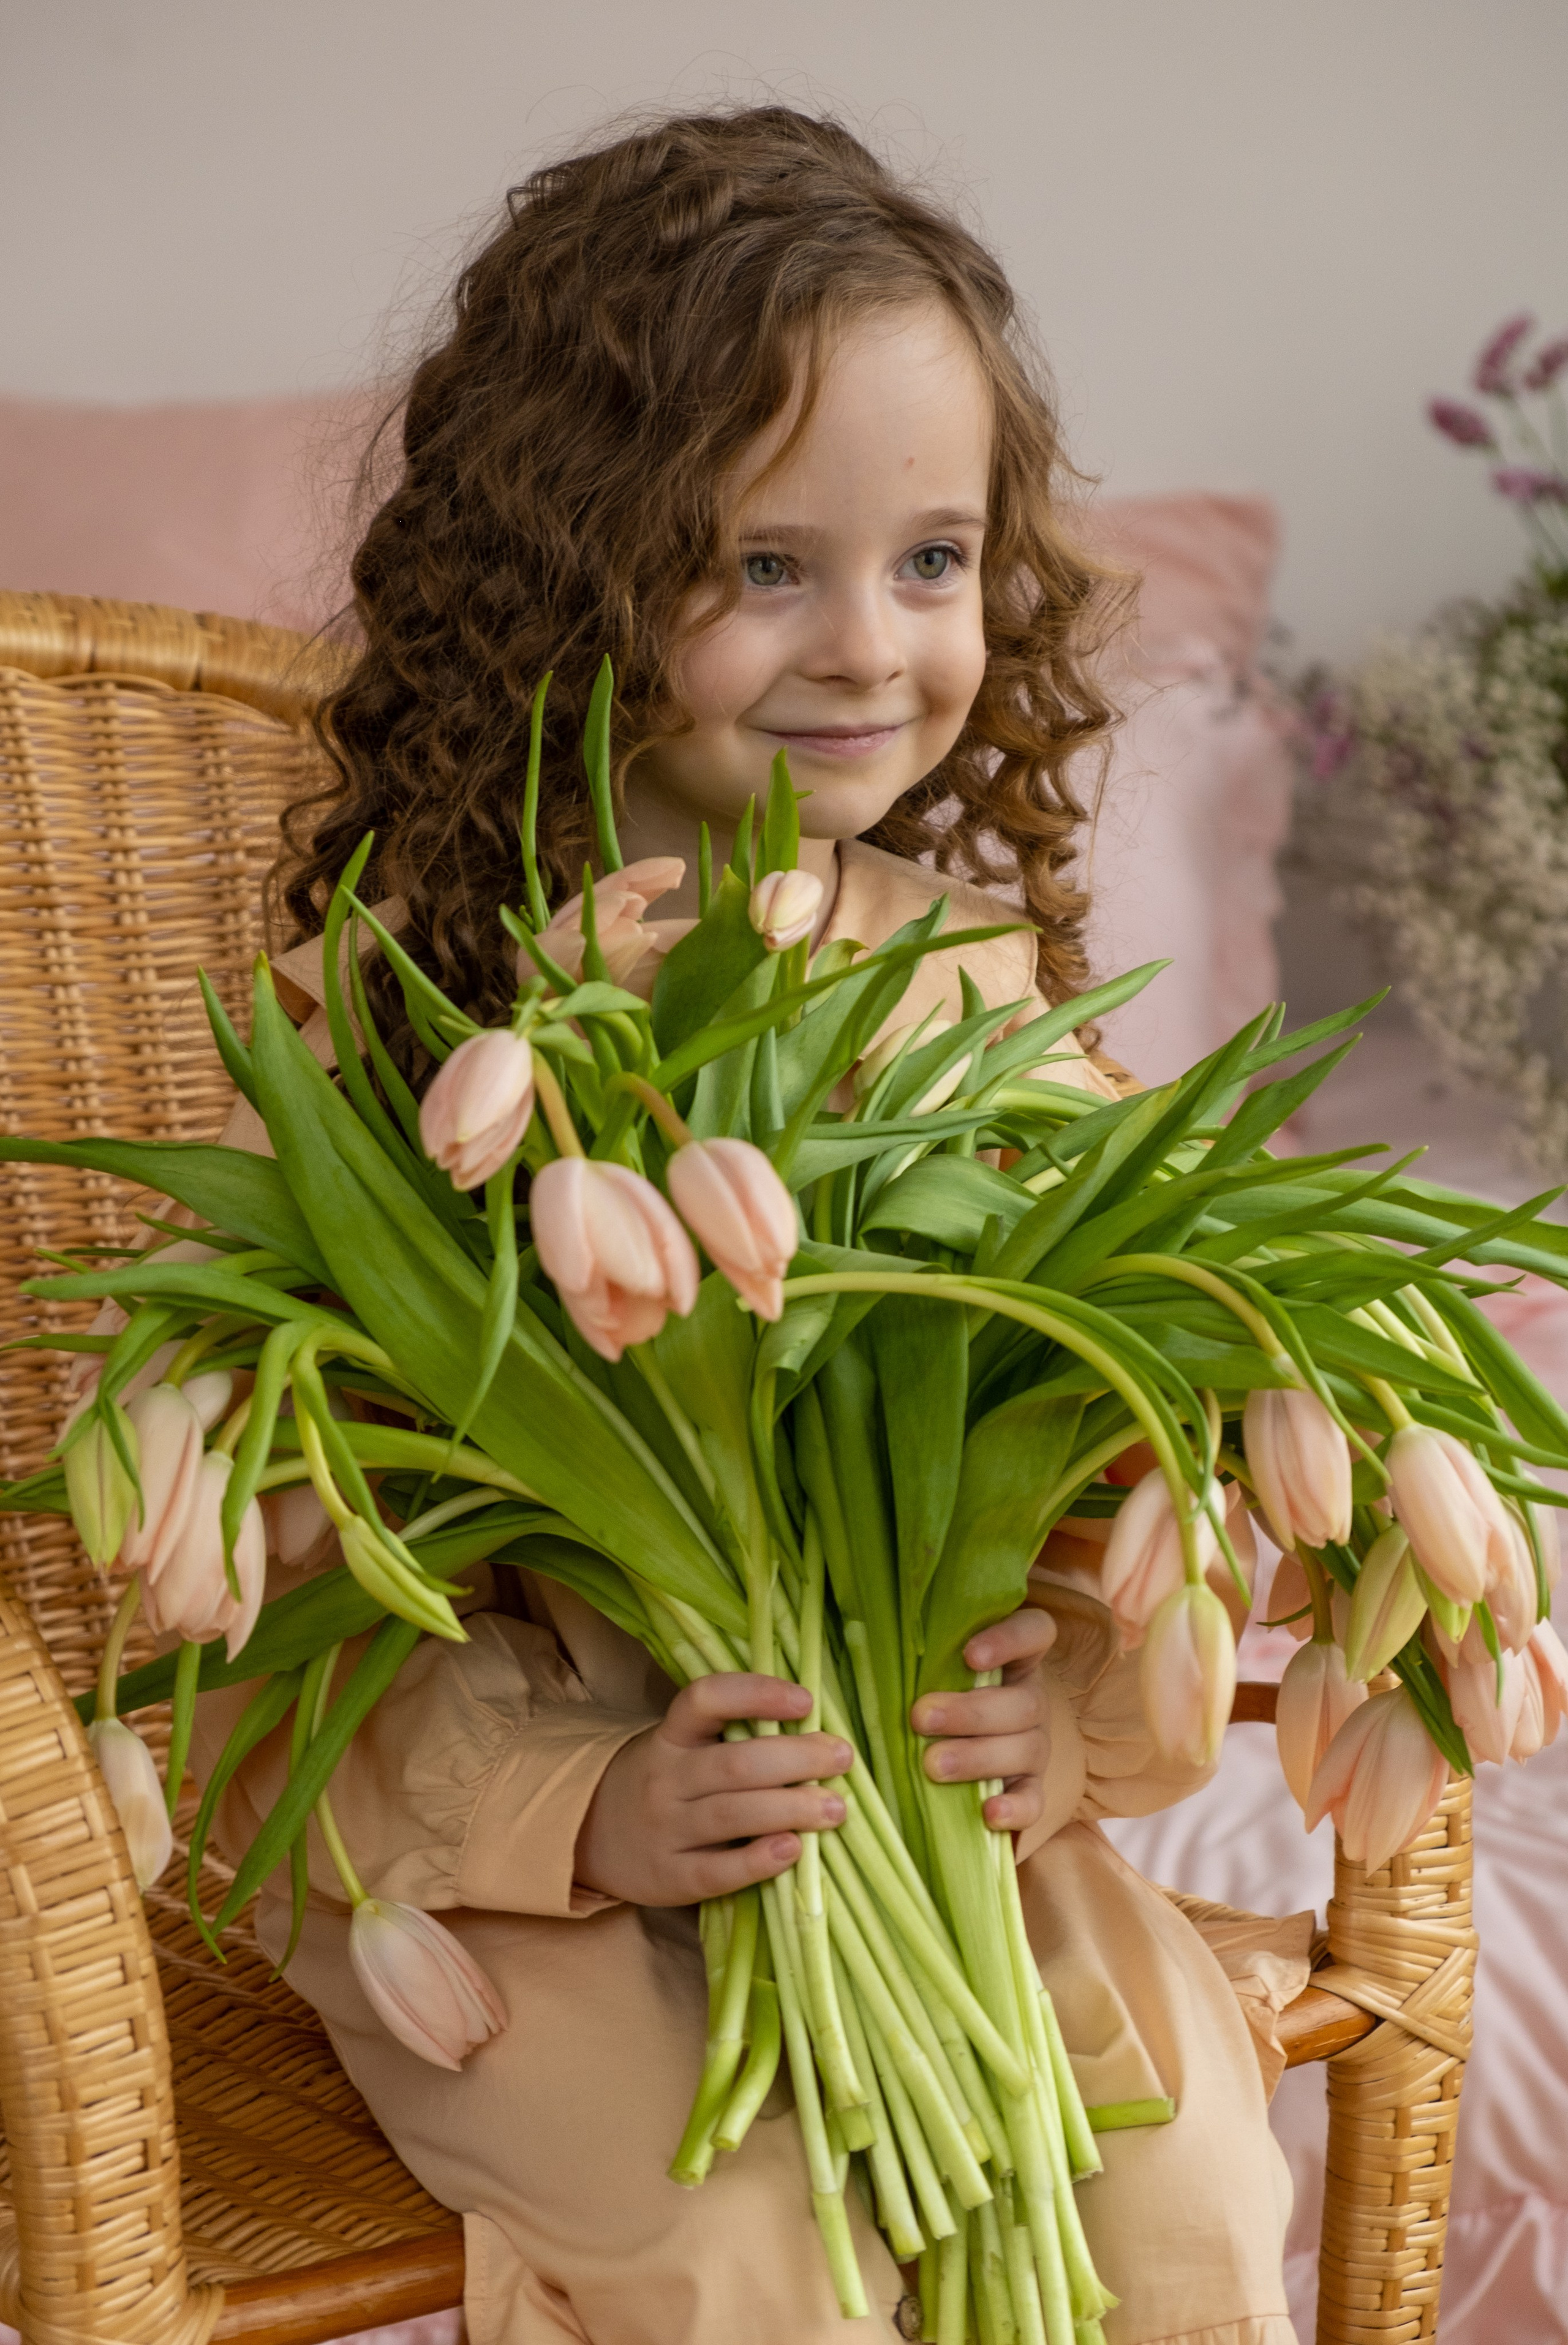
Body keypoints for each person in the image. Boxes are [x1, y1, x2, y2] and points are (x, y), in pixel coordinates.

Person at [205, 107, 1306, 2345]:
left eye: (932, 561)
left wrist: (1065, 1714)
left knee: (1179, 2170)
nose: (873, 649)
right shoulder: (400, 1015)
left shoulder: (981, 999)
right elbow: (258, 1606)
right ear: (575, 559)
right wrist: (578, 1806)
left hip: (912, 1813)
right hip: (535, 1858)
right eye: (766, 564)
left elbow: (1124, 1488)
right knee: (749, 2252)